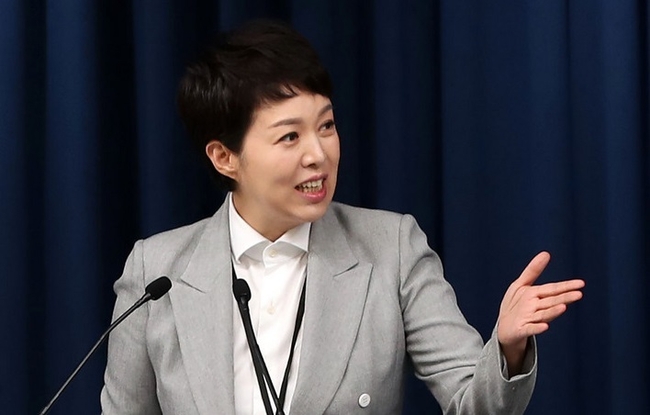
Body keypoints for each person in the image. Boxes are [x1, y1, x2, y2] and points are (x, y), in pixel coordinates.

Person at [100, 19, 584, 415]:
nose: (319, 154)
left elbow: (470, 405)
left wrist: (506, 348)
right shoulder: (155, 271)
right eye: (290, 137)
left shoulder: (392, 248)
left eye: (326, 126)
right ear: (225, 157)